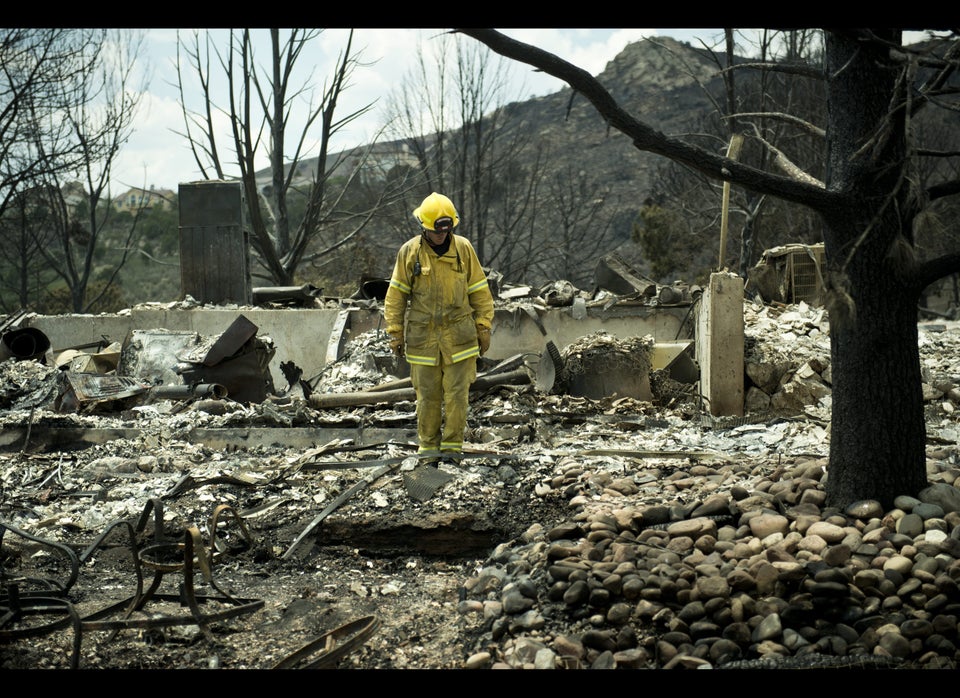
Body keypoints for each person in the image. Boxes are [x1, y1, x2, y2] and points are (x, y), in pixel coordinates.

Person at [383, 192, 495, 466]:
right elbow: (396, 294)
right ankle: (429, 450)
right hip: (424, 339)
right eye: (436, 231)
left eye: (446, 230)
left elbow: (479, 289)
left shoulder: (463, 249)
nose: (441, 236)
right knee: (428, 397)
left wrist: (483, 325)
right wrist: (395, 330)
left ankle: (452, 450)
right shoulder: (409, 252)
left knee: (457, 395)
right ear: (424, 226)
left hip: (460, 336)